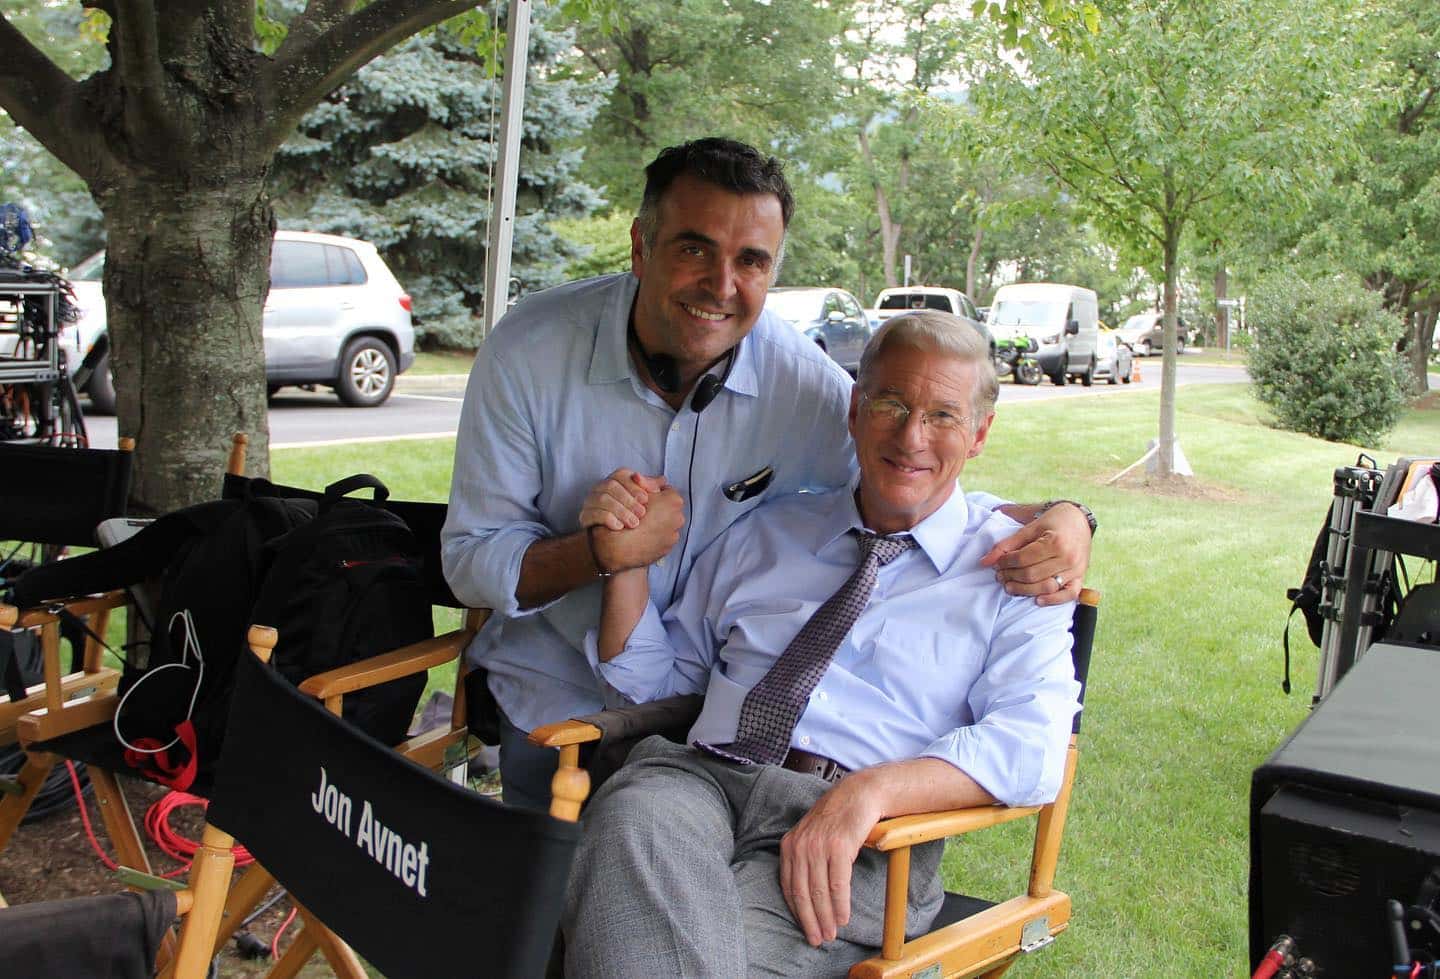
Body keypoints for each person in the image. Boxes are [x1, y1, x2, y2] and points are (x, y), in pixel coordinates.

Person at [440, 137, 1093, 810]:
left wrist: (1067, 516)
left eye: (750, 260)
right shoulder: (530, 352)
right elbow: (471, 559)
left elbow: (904, 483)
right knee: (553, 896)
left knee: (643, 870)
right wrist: (602, 555)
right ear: (640, 246)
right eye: (694, 248)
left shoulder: (805, 389)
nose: (721, 285)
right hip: (560, 705)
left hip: (717, 738)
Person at [563, 311, 1083, 977]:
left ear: (980, 433)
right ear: (855, 408)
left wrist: (869, 792)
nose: (911, 435)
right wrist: (625, 562)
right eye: (891, 401)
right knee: (631, 815)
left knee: (653, 945)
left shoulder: (1014, 571)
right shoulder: (769, 532)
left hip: (860, 839)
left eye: (943, 415)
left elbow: (1032, 745)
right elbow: (658, 687)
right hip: (696, 782)